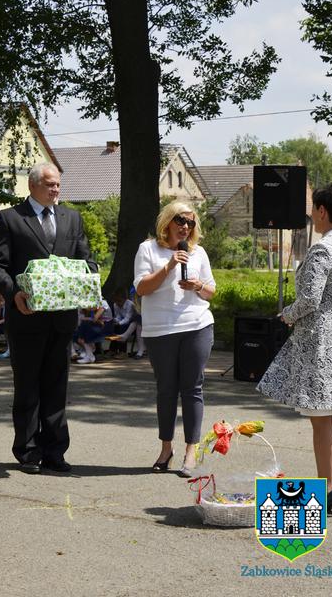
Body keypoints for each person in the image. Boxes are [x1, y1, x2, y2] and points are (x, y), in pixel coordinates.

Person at [257, 182, 332, 515]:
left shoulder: (323, 250)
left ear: (322, 211)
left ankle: (328, 488)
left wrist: (286, 315)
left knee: (320, 419)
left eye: (313, 209)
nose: (311, 216)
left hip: (321, 340)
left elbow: (309, 300)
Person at [0, 162, 97, 474]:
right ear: (33, 185)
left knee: (56, 387)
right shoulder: (10, 218)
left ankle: (55, 451)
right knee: (27, 387)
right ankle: (28, 452)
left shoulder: (71, 218)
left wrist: (90, 288)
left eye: (58, 184)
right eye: (50, 184)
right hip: (26, 317)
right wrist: (14, 294)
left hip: (62, 319)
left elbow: (85, 260)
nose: (56, 189)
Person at [134, 201, 215, 477]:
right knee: (166, 390)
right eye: (180, 220)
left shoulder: (198, 253)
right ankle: (166, 448)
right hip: (161, 330)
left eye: (190, 223)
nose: (185, 227)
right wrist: (169, 266)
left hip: (197, 325)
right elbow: (143, 288)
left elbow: (211, 292)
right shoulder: (148, 249)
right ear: (167, 221)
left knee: (192, 388)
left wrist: (199, 286)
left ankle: (191, 451)